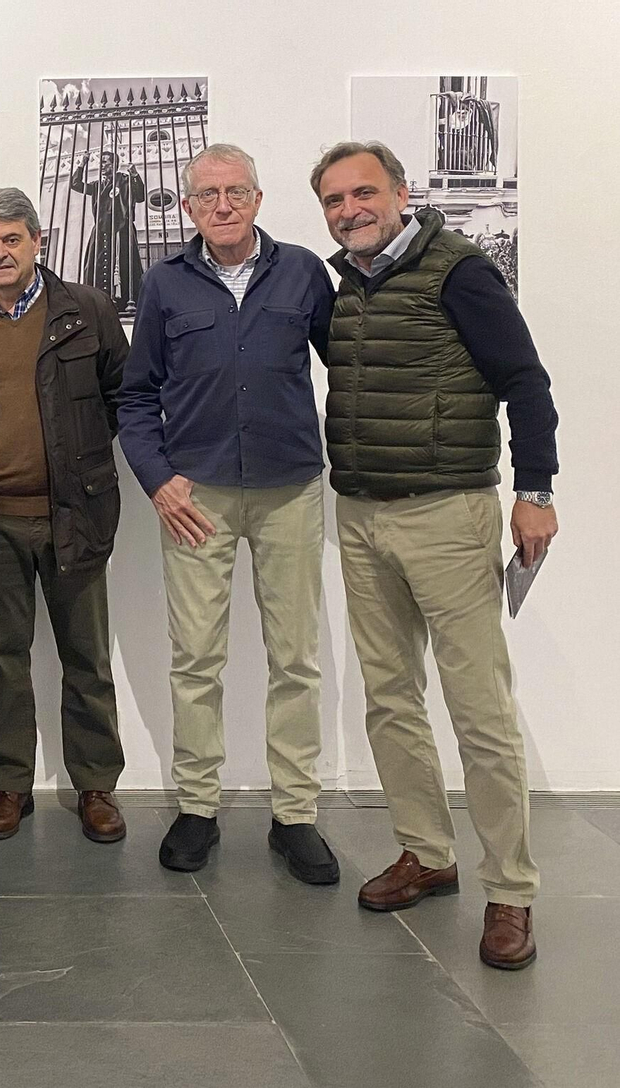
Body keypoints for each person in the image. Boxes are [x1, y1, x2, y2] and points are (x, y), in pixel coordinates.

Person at [312, 141, 560, 969]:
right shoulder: (346, 284)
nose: (350, 210)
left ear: (401, 192)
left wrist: (536, 490)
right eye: (335, 200)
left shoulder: (460, 272)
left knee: (480, 711)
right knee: (390, 697)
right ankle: (426, 851)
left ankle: (511, 890)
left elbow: (525, 382)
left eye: (364, 193)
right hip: (360, 515)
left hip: (448, 515)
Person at [119, 144, 340, 882]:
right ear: (188, 207)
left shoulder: (303, 272)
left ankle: (296, 815)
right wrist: (159, 481)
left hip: (290, 490)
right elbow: (136, 397)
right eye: (208, 194)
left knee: (296, 657)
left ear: (258, 199)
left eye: (236, 192)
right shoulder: (164, 284)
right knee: (196, 658)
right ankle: (197, 808)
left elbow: (350, 368)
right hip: (197, 498)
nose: (222, 205)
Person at [0, 187, 128, 844]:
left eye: (11, 239)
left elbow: (120, 395)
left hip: (75, 515)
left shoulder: (86, 312)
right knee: (3, 658)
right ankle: (10, 786)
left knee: (87, 658)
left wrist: (78, 462)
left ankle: (96, 785)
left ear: (37, 242)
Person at [70, 149, 146, 310]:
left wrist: (134, 174)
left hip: (121, 229)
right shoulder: (97, 185)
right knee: (95, 264)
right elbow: (75, 184)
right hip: (101, 229)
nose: (101, 165)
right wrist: (82, 164)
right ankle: (98, 301)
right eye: (100, 162)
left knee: (125, 263)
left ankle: (126, 301)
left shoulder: (124, 180)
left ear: (114, 164)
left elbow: (140, 196)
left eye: (105, 162)